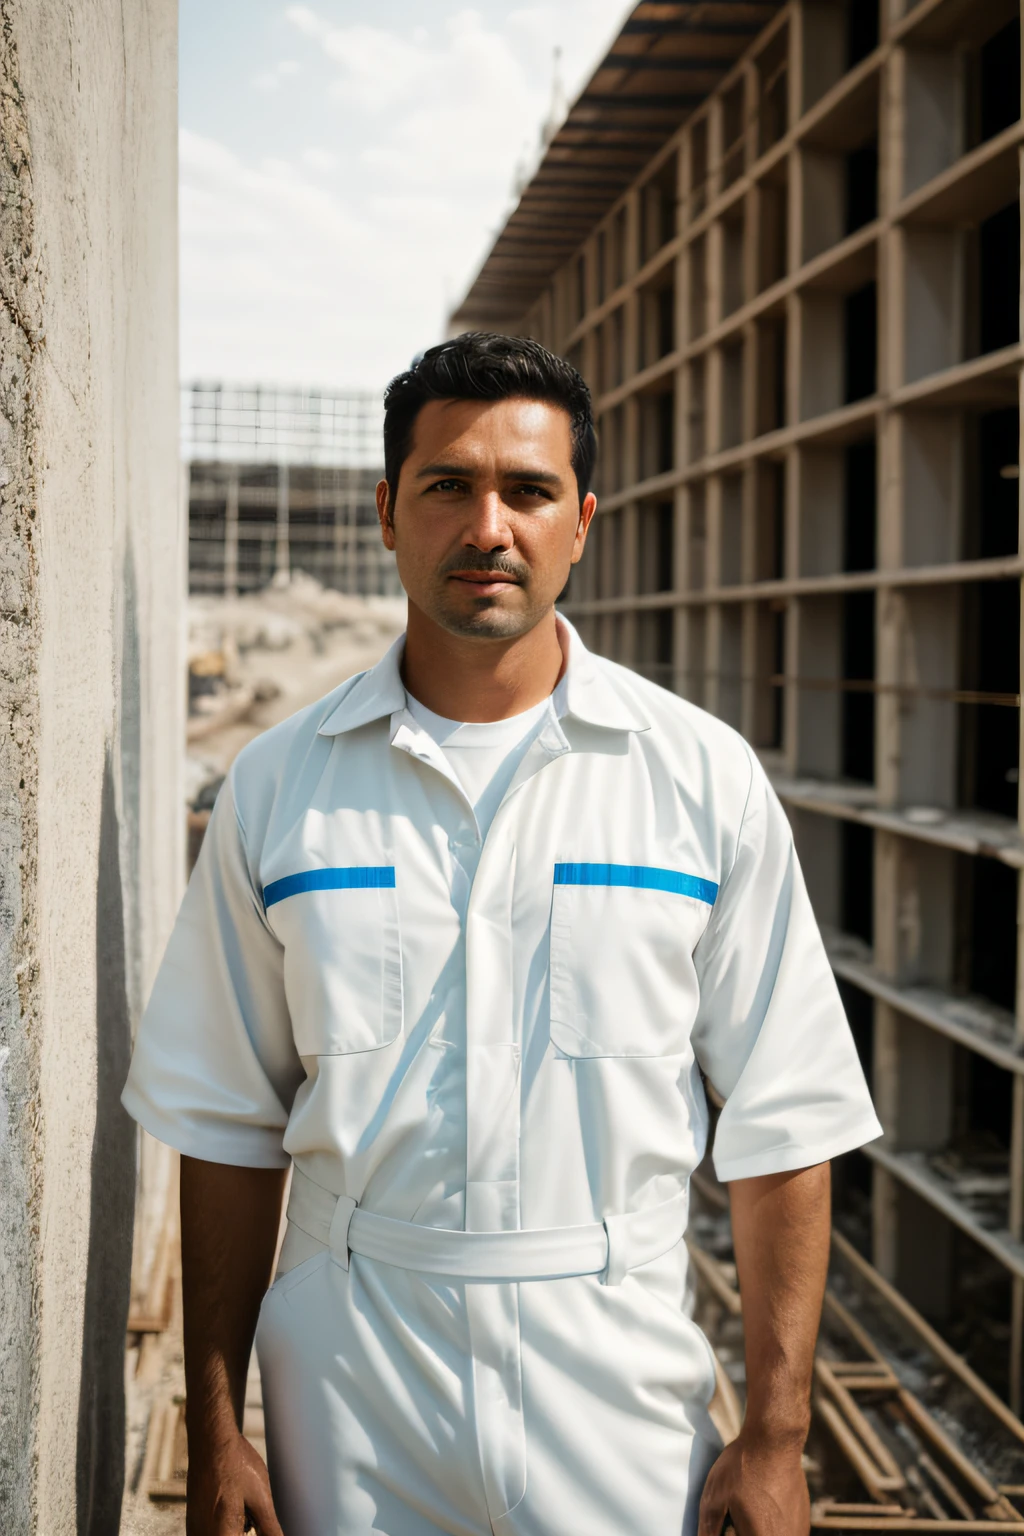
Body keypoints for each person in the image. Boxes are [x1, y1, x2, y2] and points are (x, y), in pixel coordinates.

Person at [123, 332, 881, 1536]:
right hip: (351, 1368)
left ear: (581, 520)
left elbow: (786, 1117)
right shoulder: (279, 788)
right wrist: (217, 1434)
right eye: (448, 487)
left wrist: (778, 1437)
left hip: (615, 1365)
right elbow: (225, 1121)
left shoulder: (696, 780)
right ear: (386, 511)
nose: (489, 526)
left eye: (527, 491)